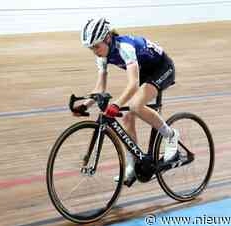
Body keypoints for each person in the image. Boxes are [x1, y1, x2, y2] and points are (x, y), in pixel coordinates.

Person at [73, 17, 179, 183]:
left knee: (135, 105)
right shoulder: (102, 55)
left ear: (107, 38)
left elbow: (133, 84)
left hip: (162, 68)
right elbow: (100, 88)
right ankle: (133, 163)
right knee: (128, 116)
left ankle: (171, 135)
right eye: (90, 48)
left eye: (96, 46)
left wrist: (116, 104)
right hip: (145, 72)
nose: (94, 51)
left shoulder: (125, 47)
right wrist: (84, 105)